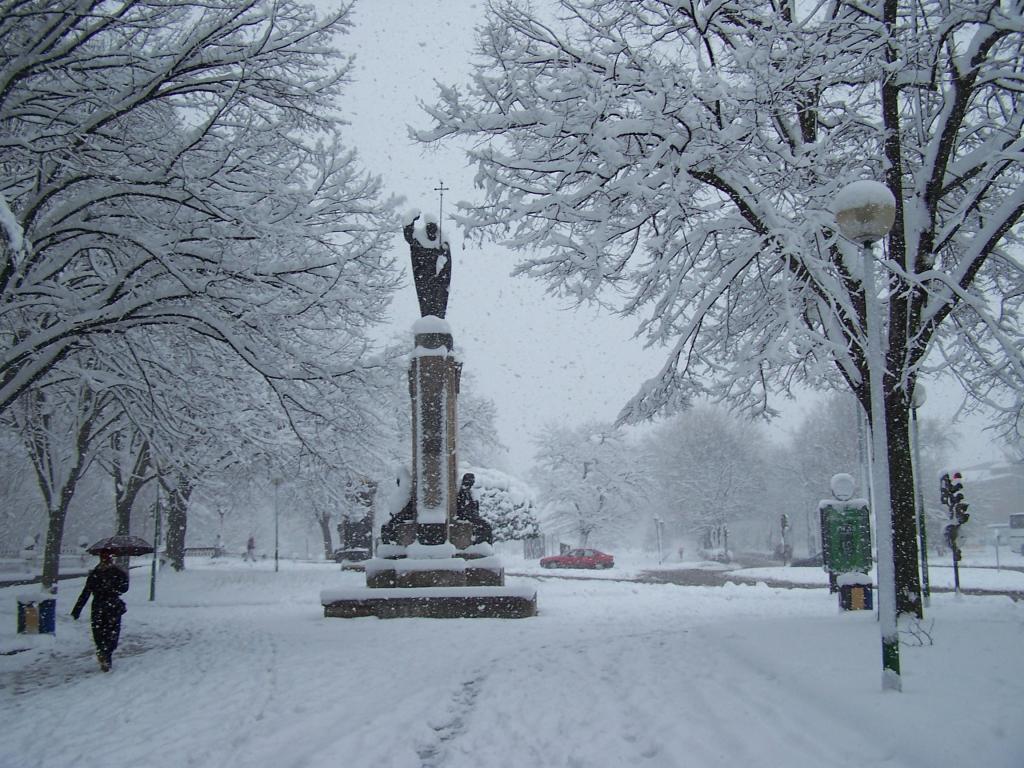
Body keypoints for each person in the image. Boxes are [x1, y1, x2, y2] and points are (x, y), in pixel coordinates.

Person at [71, 552, 129, 672]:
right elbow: (124, 588)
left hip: (98, 606)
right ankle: (106, 655)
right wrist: (121, 578)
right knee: (112, 632)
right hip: (112, 606)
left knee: (99, 632)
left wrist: (77, 610)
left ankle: (103, 651)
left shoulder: (95, 574)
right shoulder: (117, 572)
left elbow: (86, 592)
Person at [403, 213, 452, 318]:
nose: (432, 231)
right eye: (429, 228)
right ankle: (429, 321)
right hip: (424, 279)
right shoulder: (420, 238)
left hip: (438, 280)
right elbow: (409, 235)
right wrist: (411, 219)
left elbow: (445, 261)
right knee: (426, 304)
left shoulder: (442, 241)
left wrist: (440, 254)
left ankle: (436, 321)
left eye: (433, 228)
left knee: (438, 304)